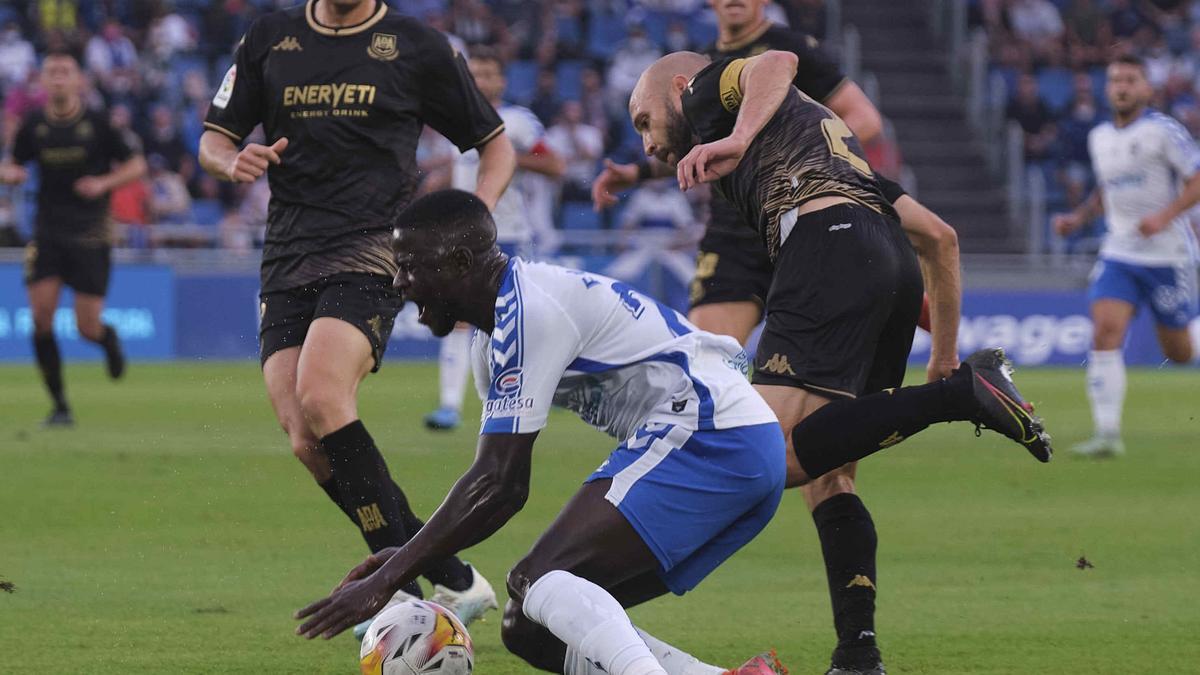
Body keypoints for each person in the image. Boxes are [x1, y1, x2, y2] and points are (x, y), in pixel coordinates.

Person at [294, 189, 981, 673]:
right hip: (727, 444)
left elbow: (503, 484)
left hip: (711, 430)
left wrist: (393, 571)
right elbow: (491, 482)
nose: (402, 283)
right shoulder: (496, 336)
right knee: (531, 626)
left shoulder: (529, 309)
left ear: (459, 263)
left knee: (539, 582)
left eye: (412, 266)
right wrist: (400, 562)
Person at [582, 50, 1051, 673]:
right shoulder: (833, 153)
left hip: (823, 247)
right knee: (832, 473)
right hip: (887, 262)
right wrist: (941, 355)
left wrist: (738, 134)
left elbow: (776, 60)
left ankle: (960, 397)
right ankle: (859, 653)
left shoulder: (702, 90)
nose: (645, 141)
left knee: (768, 458)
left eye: (644, 120)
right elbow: (940, 238)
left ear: (677, 86)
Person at [196, 0, 517, 626]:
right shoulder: (269, 38)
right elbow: (214, 138)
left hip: (375, 246)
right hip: (287, 252)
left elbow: (494, 143)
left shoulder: (415, 44)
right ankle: (453, 578)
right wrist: (228, 161)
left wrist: (473, 216)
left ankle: (395, 594)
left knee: (321, 395)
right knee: (305, 438)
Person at [1053, 55, 1200, 458]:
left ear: (1146, 89)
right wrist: (1079, 217)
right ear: (1107, 88)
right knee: (1104, 331)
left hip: (1166, 254)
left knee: (1180, 352)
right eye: (1116, 79)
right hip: (1119, 251)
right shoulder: (1099, 136)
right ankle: (1107, 434)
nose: (1121, 86)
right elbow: (1107, 189)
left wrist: (1165, 216)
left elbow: (1197, 178)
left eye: (1131, 80)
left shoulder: (1163, 132)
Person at [422, 45, 566, 432]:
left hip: (510, 236)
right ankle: (449, 406)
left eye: (489, 73)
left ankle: (550, 389)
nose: (482, 80)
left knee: (518, 321)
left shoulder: (516, 121)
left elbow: (554, 164)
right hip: (462, 238)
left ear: (502, 79)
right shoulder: (458, 123)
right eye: (476, 73)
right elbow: (461, 172)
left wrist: (506, 158)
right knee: (458, 320)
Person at [0, 49, 144, 427]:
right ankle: (60, 405)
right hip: (47, 232)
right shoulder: (34, 125)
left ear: (79, 79)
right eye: (52, 71)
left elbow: (137, 164)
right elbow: (14, 164)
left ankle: (107, 339)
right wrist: (11, 174)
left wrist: (103, 183)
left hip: (91, 234)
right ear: (43, 81)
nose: (59, 77)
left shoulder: (98, 123)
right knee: (41, 318)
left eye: (66, 70)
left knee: (86, 327)